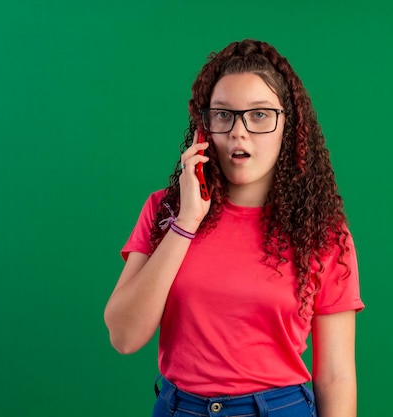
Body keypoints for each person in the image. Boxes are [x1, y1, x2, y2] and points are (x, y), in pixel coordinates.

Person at [104, 39, 364, 417]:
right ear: (204, 129)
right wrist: (187, 221)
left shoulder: (321, 231)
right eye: (223, 115)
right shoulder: (165, 210)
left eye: (259, 115)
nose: (239, 132)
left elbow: (337, 376)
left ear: (288, 126)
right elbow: (124, 337)